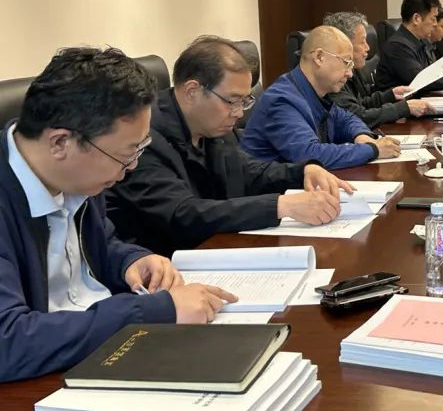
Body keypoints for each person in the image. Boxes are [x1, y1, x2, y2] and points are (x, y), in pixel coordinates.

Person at [0, 48, 237, 381]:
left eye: (140, 149)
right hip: (37, 379)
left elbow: (101, 244)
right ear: (60, 143)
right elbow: (7, 342)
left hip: (97, 348)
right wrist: (153, 311)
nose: (132, 167)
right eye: (126, 154)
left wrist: (131, 260)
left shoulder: (78, 175)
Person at [105, 36, 351, 257]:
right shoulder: (143, 138)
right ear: (192, 91)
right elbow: (182, 214)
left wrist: (303, 171)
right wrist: (281, 206)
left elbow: (247, 171)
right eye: (232, 101)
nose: (239, 113)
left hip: (218, 249)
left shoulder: (213, 127)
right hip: (168, 265)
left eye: (245, 101)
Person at [242, 26, 401, 169]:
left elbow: (345, 119)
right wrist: (372, 149)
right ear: (319, 57)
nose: (350, 73)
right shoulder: (282, 100)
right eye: (346, 62)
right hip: (276, 190)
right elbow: (310, 155)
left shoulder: (316, 91)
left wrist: (362, 136)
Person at [323, 12, 433, 128]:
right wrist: (404, 108)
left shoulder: (352, 69)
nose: (368, 48)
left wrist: (390, 95)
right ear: (344, 44)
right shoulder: (331, 77)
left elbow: (360, 104)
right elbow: (357, 116)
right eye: (362, 42)